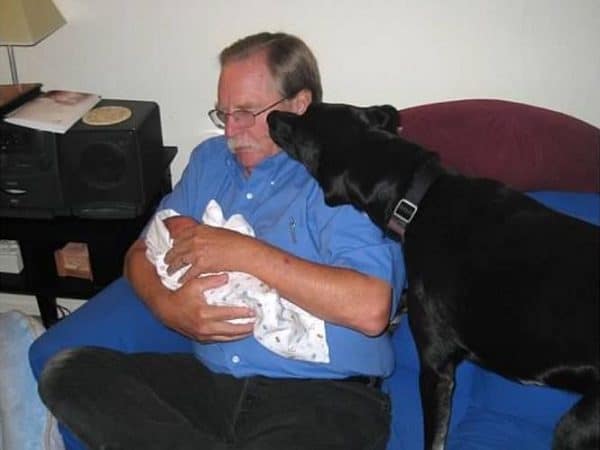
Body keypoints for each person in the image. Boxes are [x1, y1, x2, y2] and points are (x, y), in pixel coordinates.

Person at [30, 31, 405, 450]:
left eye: (246, 112)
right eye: (223, 113)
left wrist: (242, 252)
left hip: (322, 398)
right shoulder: (210, 161)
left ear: (299, 105)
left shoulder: (343, 174)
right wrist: (167, 306)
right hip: (210, 386)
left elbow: (372, 308)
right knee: (69, 371)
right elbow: (139, 253)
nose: (231, 129)